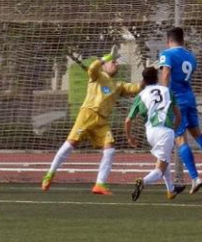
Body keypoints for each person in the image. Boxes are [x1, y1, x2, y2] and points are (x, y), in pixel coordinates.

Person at [41, 46, 143, 195]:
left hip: (102, 122)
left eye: (116, 62)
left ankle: (100, 184)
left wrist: (148, 78)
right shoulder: (97, 76)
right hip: (87, 115)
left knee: (110, 149)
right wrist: (106, 57)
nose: (116, 64)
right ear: (106, 65)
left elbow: (135, 88)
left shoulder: (118, 85)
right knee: (70, 144)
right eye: (113, 62)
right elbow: (92, 68)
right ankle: (50, 174)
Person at [158, 27, 202, 194]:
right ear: (183, 40)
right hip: (190, 98)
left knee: (180, 140)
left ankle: (195, 178)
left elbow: (166, 73)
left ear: (169, 41)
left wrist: (162, 96)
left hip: (176, 102)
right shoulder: (191, 56)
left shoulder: (167, 54)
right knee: (197, 134)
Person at [125, 67, 185, 202]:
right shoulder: (167, 91)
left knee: (164, 161)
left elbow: (128, 120)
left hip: (150, 132)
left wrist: (130, 137)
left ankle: (171, 190)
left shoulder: (141, 95)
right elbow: (178, 116)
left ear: (144, 80)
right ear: (157, 78)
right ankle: (143, 181)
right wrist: (173, 131)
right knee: (160, 169)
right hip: (165, 130)